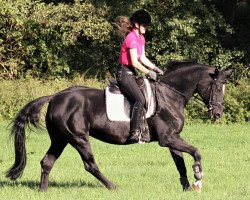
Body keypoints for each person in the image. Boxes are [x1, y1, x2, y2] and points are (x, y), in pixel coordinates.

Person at [115, 9, 163, 143]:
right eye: (145, 25)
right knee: (140, 99)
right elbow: (135, 62)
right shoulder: (131, 37)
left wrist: (155, 68)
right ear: (137, 24)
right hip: (124, 74)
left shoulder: (141, 38)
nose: (146, 28)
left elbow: (142, 57)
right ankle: (134, 132)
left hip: (132, 74)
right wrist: (148, 73)